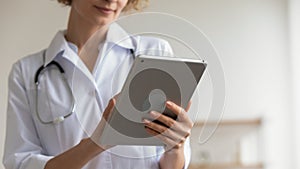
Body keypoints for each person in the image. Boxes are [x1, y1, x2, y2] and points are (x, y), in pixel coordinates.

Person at [3, 0, 194, 168]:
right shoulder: (26, 72)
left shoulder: (155, 52)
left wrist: (175, 147)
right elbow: (21, 164)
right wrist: (97, 142)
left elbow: (172, 165)